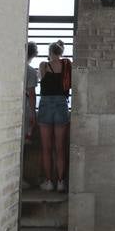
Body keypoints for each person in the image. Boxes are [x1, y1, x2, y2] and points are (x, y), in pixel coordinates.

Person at [36, 40, 72, 192]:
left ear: (50, 52)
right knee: (60, 147)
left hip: (45, 105)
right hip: (61, 104)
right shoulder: (65, 65)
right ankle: (61, 181)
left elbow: (39, 79)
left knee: (46, 147)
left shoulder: (43, 65)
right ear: (61, 52)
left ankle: (49, 182)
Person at [21, 42, 38, 190]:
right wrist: (33, 112)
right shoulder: (31, 72)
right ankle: (19, 178)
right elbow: (31, 94)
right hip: (25, 109)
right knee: (23, 146)